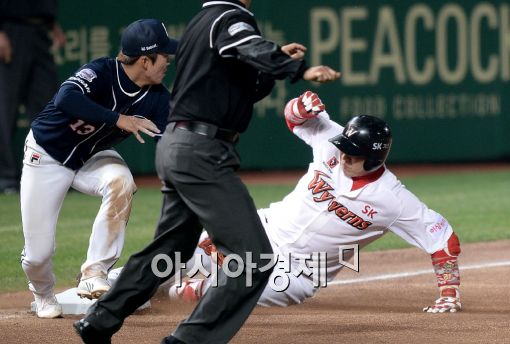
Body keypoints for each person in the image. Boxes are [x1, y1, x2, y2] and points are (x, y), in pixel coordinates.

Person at [74, 1, 340, 343]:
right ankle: (188, 341)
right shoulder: (230, 17)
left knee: (171, 249)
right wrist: (295, 67)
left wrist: (273, 65)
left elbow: (240, 85)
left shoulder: (201, 22)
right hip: (202, 151)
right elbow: (248, 44)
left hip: (178, 146)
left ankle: (99, 319)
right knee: (253, 258)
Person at [169, 91, 462, 314]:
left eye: (353, 154)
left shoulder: (393, 201)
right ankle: (129, 286)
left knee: (224, 288)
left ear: (373, 159)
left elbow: (442, 238)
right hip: (261, 232)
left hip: (297, 273)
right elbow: (295, 119)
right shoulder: (331, 143)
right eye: (344, 148)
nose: (344, 155)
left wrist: (449, 291)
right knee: (175, 258)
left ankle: (185, 294)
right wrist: (299, 105)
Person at [20, 18, 178, 319]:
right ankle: (41, 293)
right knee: (38, 256)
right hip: (47, 153)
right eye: (163, 56)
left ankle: (95, 272)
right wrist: (120, 119)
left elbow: (172, 136)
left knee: (121, 181)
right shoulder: (102, 71)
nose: (168, 61)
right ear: (144, 60)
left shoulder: (157, 98)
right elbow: (66, 97)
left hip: (91, 156)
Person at [0, 0, 66, 194]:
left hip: (40, 30)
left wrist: (52, 23)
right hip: (10, 29)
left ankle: (49, 172)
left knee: (47, 107)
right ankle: (5, 177)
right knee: (5, 108)